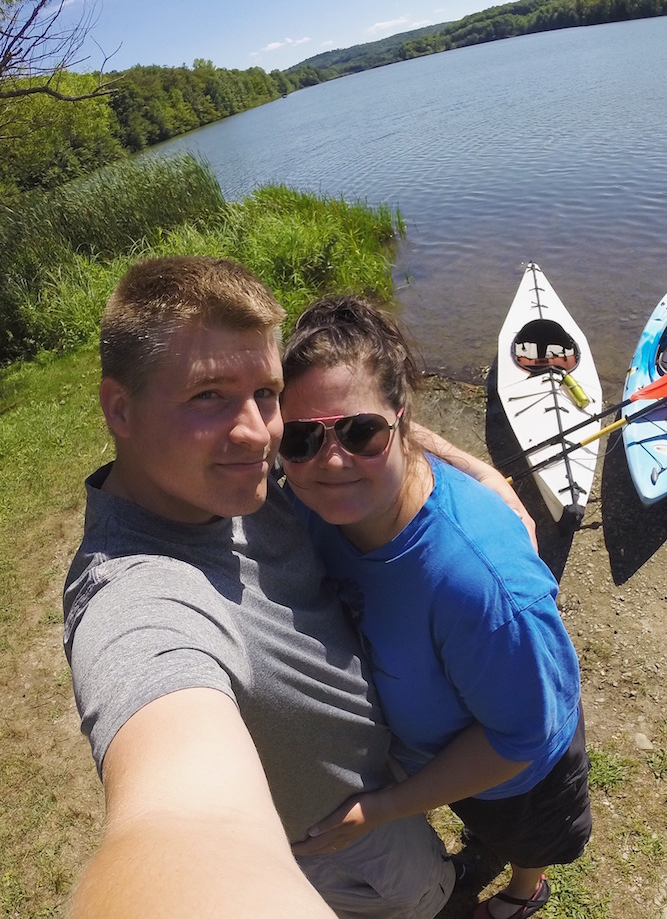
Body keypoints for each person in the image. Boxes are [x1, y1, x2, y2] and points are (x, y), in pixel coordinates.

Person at [62, 255, 534, 919]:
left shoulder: (238, 476)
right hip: (339, 839)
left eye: (266, 393)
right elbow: (174, 821)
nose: (260, 434)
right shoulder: (137, 597)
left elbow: (357, 415)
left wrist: (483, 478)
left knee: (433, 870)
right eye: (209, 396)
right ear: (121, 409)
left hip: (386, 779)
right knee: (428, 901)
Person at [278, 296, 592, 919]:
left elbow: (519, 739)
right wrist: (484, 471)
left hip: (523, 773)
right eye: (303, 436)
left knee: (526, 838)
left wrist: (384, 808)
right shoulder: (314, 507)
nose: (331, 460)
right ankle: (486, 846)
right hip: (443, 754)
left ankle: (524, 892)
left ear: (398, 419)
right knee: (482, 820)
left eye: (360, 433)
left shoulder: (480, 585)